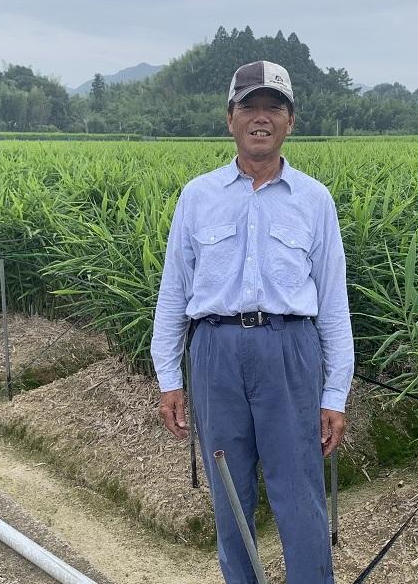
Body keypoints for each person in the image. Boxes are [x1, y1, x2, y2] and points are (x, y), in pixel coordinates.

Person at [150, 60, 354, 583]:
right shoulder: (198, 196)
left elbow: (333, 302)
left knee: (299, 490)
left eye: (273, 108)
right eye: (249, 107)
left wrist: (335, 393)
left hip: (290, 352)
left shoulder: (314, 199)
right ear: (230, 118)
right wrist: (169, 377)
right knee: (228, 491)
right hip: (214, 352)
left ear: (290, 121)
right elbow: (174, 291)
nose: (261, 118)